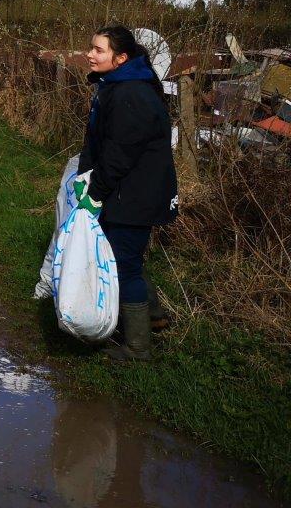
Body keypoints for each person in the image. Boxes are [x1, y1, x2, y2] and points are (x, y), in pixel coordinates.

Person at [73, 24, 178, 362]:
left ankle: (137, 347)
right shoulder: (116, 86)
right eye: (91, 47)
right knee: (125, 257)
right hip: (128, 192)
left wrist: (96, 192)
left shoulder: (131, 94)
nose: (90, 54)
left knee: (124, 266)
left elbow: (119, 155)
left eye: (99, 50)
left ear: (120, 58)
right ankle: (154, 315)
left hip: (135, 195)